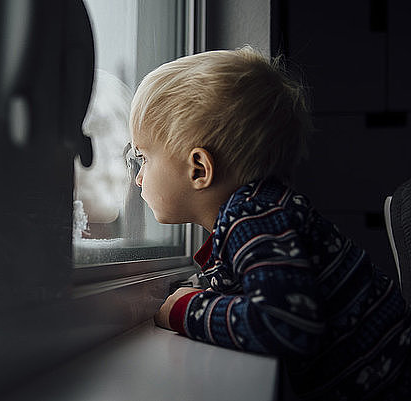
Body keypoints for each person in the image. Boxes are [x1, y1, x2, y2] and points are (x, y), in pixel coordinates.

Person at [129, 46, 411, 400]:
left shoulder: (251, 215)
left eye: (142, 157)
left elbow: (284, 325)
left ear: (198, 168)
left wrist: (184, 309)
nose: (138, 178)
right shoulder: (264, 208)